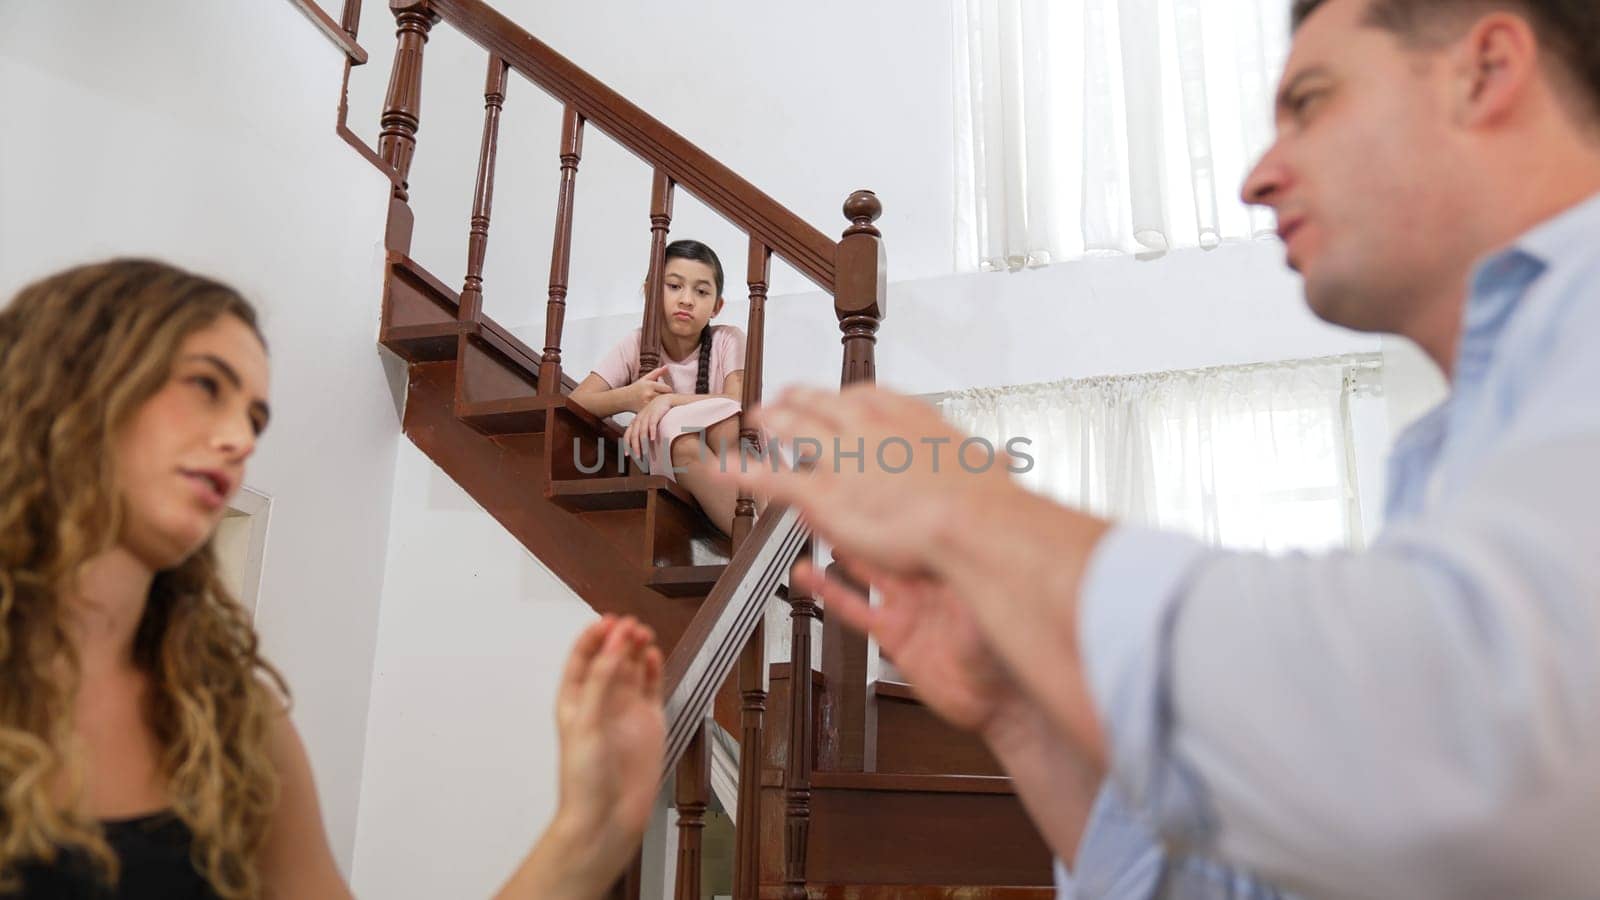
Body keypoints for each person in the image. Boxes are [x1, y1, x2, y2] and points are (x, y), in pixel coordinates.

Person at [731, 0, 1600, 896]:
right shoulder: (1450, 456)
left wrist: (971, 506)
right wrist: (1017, 714)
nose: (1257, 178)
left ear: (1486, 69)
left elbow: (1482, 739)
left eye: (1309, 102)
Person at [0, 259, 665, 899]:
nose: (238, 438)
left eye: (254, 418)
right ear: (73, 383)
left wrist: (586, 830)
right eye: (206, 387)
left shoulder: (231, 725)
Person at [570, 240, 750, 534]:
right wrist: (628, 398)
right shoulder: (637, 343)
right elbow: (578, 401)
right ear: (650, 291)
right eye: (674, 286)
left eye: (701, 291)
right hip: (680, 468)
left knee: (724, 420)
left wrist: (666, 402)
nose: (687, 300)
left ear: (717, 307)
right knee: (676, 436)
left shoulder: (728, 339)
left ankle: (753, 533)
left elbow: (736, 399)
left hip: (737, 467)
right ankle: (749, 540)